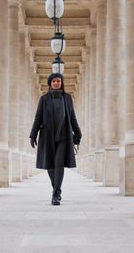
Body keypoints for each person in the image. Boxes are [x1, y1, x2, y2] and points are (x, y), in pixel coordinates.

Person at [29, 73, 82, 206]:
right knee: (50, 166)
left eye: (59, 81)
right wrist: (33, 134)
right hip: (47, 136)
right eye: (54, 81)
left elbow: (72, 117)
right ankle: (56, 189)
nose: (56, 83)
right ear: (50, 84)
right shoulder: (44, 99)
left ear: (62, 83)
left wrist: (78, 133)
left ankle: (56, 193)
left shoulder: (67, 98)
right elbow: (38, 118)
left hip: (64, 136)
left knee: (58, 164)